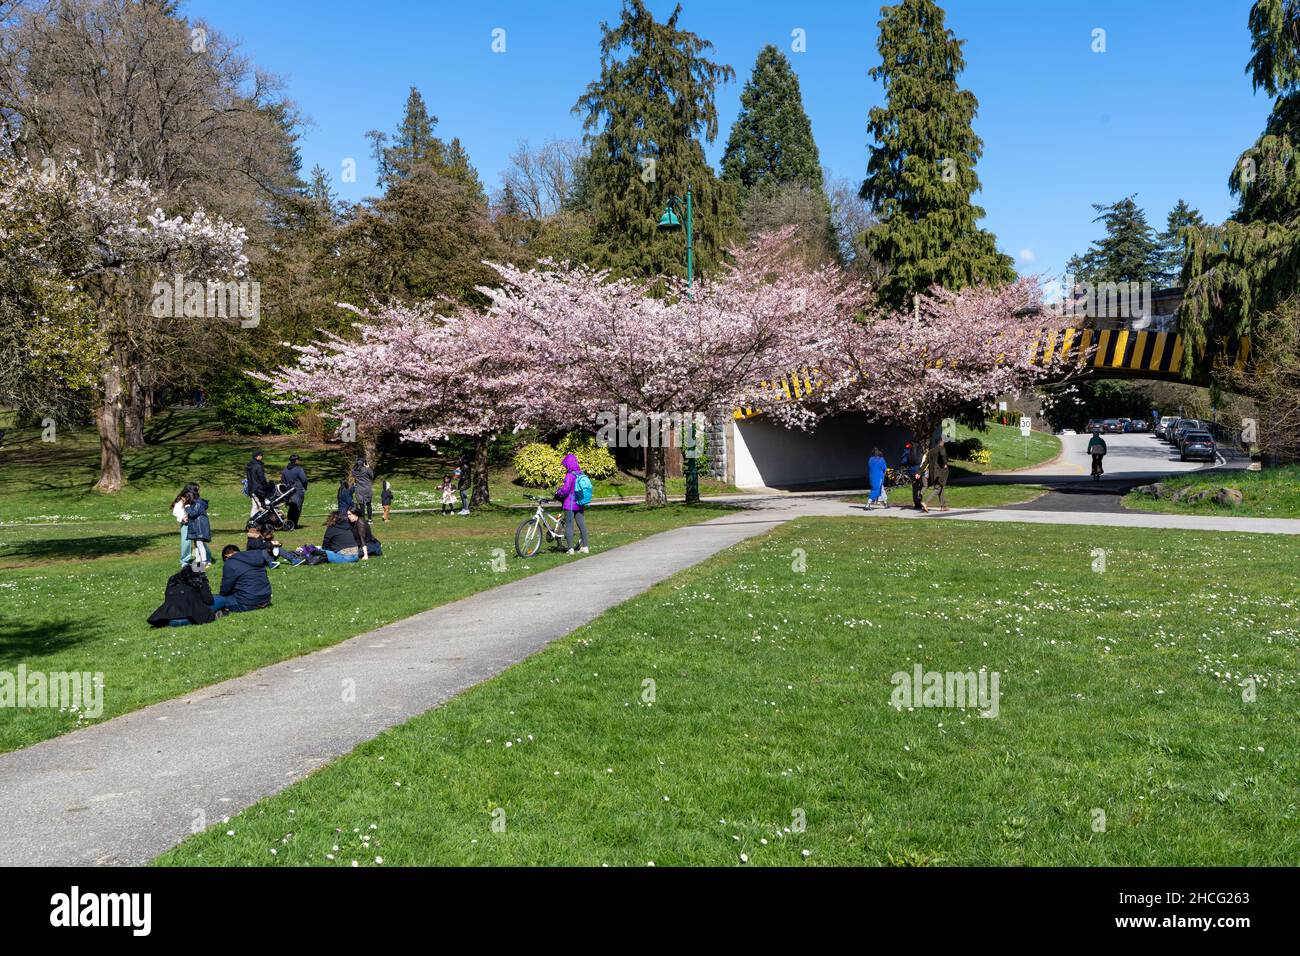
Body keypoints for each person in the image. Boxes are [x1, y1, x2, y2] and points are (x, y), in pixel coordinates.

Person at [212, 543, 277, 612]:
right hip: (266, 598)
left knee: (215, 600)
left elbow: (225, 589)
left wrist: (222, 596)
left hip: (248, 602)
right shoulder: (256, 557)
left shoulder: (230, 563)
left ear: (226, 557)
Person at [148, 564, 218, 628]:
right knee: (220, 599)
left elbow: (167, 598)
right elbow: (209, 601)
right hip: (191, 615)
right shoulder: (199, 578)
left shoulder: (173, 579)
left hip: (169, 615)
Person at [553, 452, 589, 555]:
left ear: (568, 464)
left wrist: (558, 492)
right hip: (580, 503)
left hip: (570, 504)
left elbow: (565, 490)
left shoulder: (569, 475)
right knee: (582, 524)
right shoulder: (581, 473)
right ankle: (585, 547)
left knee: (569, 526)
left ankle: (570, 549)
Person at [183, 484, 213, 569]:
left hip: (200, 527)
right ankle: (199, 561)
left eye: (187, 496)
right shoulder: (194, 502)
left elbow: (193, 513)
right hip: (196, 526)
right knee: (197, 544)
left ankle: (203, 563)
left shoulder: (198, 503)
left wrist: (187, 508)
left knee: (199, 544)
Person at [170, 482, 198, 567]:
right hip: (186, 524)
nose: (198, 491)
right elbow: (175, 511)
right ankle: (185, 561)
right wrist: (182, 518)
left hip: (196, 522)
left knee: (199, 541)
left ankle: (200, 558)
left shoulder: (196, 498)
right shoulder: (182, 499)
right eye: (196, 489)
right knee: (186, 542)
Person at [921, 437, 950, 513]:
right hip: (939, 473)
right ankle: (926, 503)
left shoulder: (930, 451)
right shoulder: (941, 448)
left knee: (941, 487)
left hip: (933, 473)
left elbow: (925, 463)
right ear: (941, 442)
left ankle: (943, 506)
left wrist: (918, 472)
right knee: (938, 488)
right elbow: (943, 454)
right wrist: (945, 463)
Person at [281, 454, 308, 528]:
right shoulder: (299, 469)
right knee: (297, 508)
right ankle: (294, 524)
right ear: (296, 460)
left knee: (291, 508)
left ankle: (290, 523)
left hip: (288, 491)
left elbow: (283, 481)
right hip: (298, 490)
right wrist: (305, 487)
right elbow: (304, 480)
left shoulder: (285, 470)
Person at [245, 450, 272, 518]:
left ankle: (252, 522)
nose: (262, 456)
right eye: (260, 455)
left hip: (251, 488)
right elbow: (261, 478)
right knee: (262, 506)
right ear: (256, 456)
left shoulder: (249, 465)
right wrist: (266, 485)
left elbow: (249, 478)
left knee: (254, 506)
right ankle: (258, 521)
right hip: (258, 489)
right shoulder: (258, 466)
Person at [900, 441, 924, 510]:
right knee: (922, 486)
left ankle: (916, 504)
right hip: (919, 471)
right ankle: (919, 501)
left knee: (914, 487)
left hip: (911, 472)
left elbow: (903, 461)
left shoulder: (908, 451)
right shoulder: (920, 450)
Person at [351, 456, 376, 521]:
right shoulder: (367, 470)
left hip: (359, 489)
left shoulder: (354, 470)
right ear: (363, 463)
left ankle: (362, 520)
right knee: (368, 504)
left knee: (361, 505)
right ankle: (370, 519)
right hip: (367, 488)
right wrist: (368, 467)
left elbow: (353, 473)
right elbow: (372, 476)